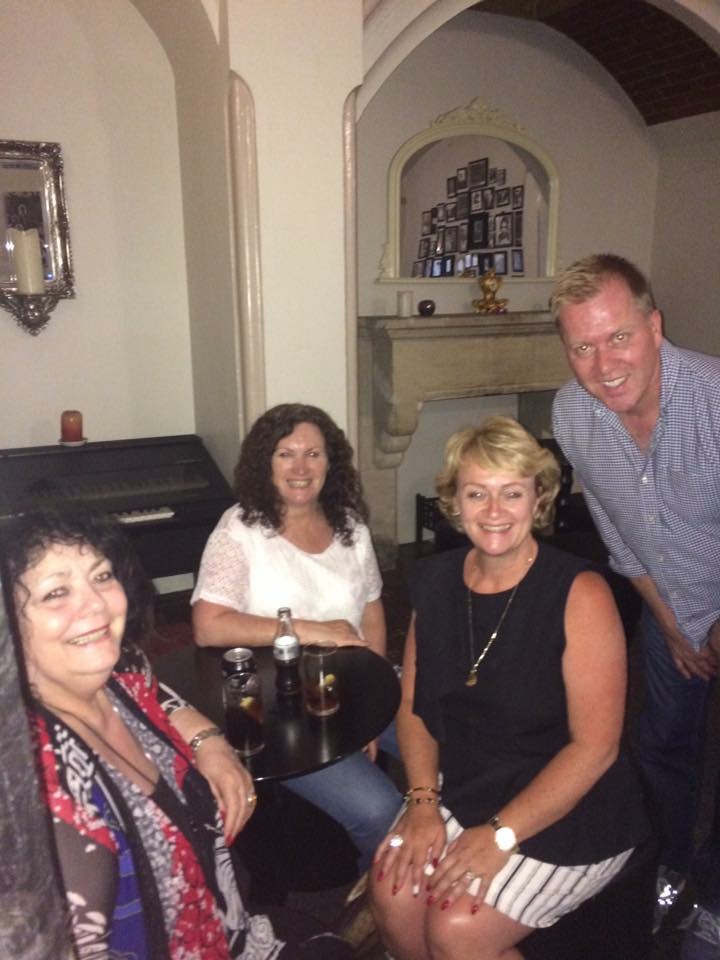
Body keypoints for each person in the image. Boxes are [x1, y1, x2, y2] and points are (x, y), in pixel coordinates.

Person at [1, 507, 352, 960]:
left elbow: (160, 693)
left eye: (102, 576)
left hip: (229, 928)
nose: (96, 604)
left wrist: (209, 742)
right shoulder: (40, 785)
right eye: (56, 593)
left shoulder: (121, 678)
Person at [369, 416, 649, 960]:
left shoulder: (580, 594)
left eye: (512, 493)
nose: (494, 511)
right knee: (394, 891)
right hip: (471, 782)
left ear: (538, 498)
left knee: (457, 927)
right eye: (477, 493)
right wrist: (422, 802)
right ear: (454, 500)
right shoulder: (435, 582)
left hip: (572, 805)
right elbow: (414, 705)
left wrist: (501, 834)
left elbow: (595, 748)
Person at [550, 253, 720, 959]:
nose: (604, 364)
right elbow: (615, 526)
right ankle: (668, 868)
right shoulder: (570, 413)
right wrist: (673, 621)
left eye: (618, 336)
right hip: (667, 600)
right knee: (662, 746)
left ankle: (715, 898)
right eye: (582, 347)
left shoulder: (714, 400)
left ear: (654, 327)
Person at [192, 403, 402, 870]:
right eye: (286, 454)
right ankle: (381, 898)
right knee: (380, 810)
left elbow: (372, 608)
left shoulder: (349, 524)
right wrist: (307, 630)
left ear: (331, 462)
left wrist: (373, 706)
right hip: (280, 709)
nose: (301, 468)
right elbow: (208, 626)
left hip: (354, 687)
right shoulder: (240, 530)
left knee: (454, 740)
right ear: (265, 463)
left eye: (313, 454)